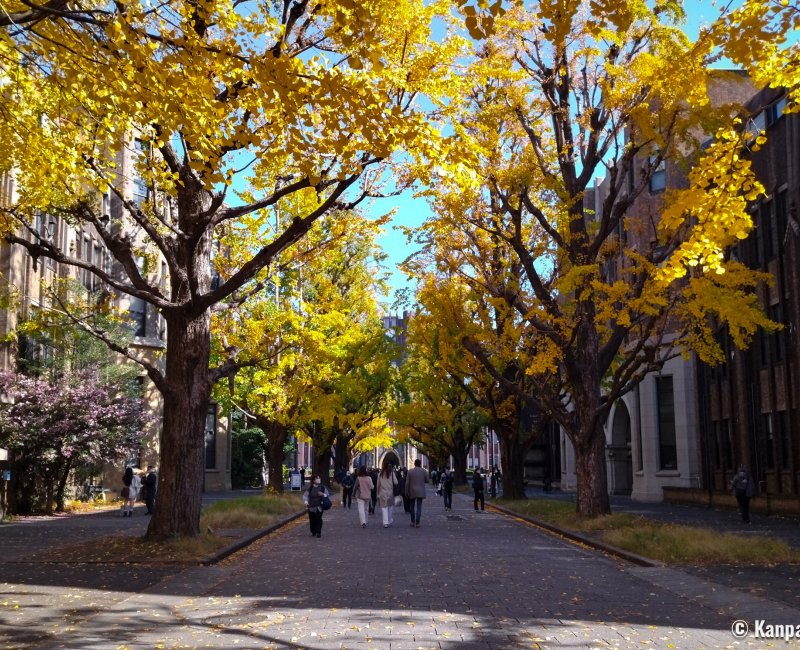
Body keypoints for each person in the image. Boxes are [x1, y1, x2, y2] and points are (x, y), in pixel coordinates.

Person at [302, 473, 329, 538]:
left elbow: (327, 495)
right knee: (312, 519)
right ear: (313, 480)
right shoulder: (310, 488)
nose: (318, 479)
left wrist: (323, 494)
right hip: (311, 506)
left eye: (319, 478)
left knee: (318, 519)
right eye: (317, 478)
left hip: (319, 506)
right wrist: (306, 501)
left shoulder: (322, 487)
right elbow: (305, 495)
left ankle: (318, 532)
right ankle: (313, 531)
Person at [404, 458, 428, 527]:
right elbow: (427, 480)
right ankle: (417, 522)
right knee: (419, 507)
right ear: (420, 464)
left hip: (412, 490)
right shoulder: (423, 471)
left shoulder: (410, 471)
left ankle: (412, 521)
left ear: (414, 464)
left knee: (412, 506)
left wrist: (406, 491)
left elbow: (407, 483)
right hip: (420, 491)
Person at [376, 460, 398, 528]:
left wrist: (377, 492)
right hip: (390, 492)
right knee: (390, 507)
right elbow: (396, 482)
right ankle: (389, 519)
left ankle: (385, 522)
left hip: (382, 492)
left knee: (384, 508)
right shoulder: (392, 473)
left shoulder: (380, 474)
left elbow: (378, 484)